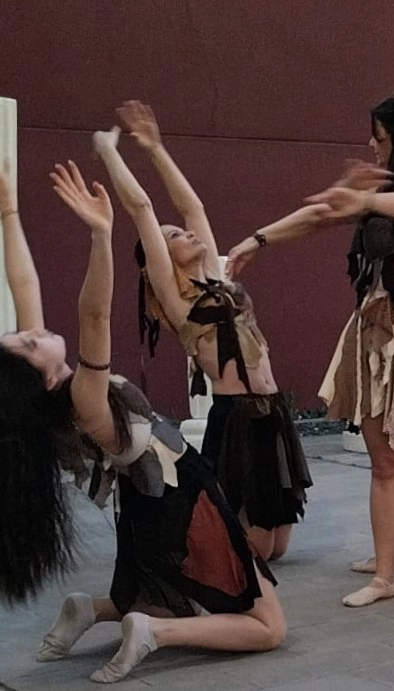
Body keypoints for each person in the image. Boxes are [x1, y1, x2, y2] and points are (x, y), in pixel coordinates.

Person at [0, 160, 285, 684]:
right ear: (41, 378)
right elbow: (94, 316)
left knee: (174, 593)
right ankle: (154, 633)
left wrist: (9, 214)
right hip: (183, 493)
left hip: (143, 501)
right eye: (29, 342)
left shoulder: (49, 403)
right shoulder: (84, 398)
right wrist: (100, 236)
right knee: (267, 627)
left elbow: (24, 283)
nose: (34, 330)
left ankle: (91, 610)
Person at [228, 97, 394, 608]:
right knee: (385, 460)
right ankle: (386, 574)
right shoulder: (378, 194)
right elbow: (320, 214)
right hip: (376, 331)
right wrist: (258, 239)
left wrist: (364, 200)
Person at [93, 102, 312, 562]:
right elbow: (142, 208)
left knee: (277, 550)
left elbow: (193, 206)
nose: (188, 235)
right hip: (237, 418)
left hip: (273, 411)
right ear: (160, 260)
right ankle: (187, 547)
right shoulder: (179, 303)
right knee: (256, 550)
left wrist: (156, 148)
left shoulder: (216, 276)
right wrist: (109, 151)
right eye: (174, 237)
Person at [322, 93, 394, 574]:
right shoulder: (380, 187)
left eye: (380, 137)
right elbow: (322, 212)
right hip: (381, 320)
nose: (374, 145)